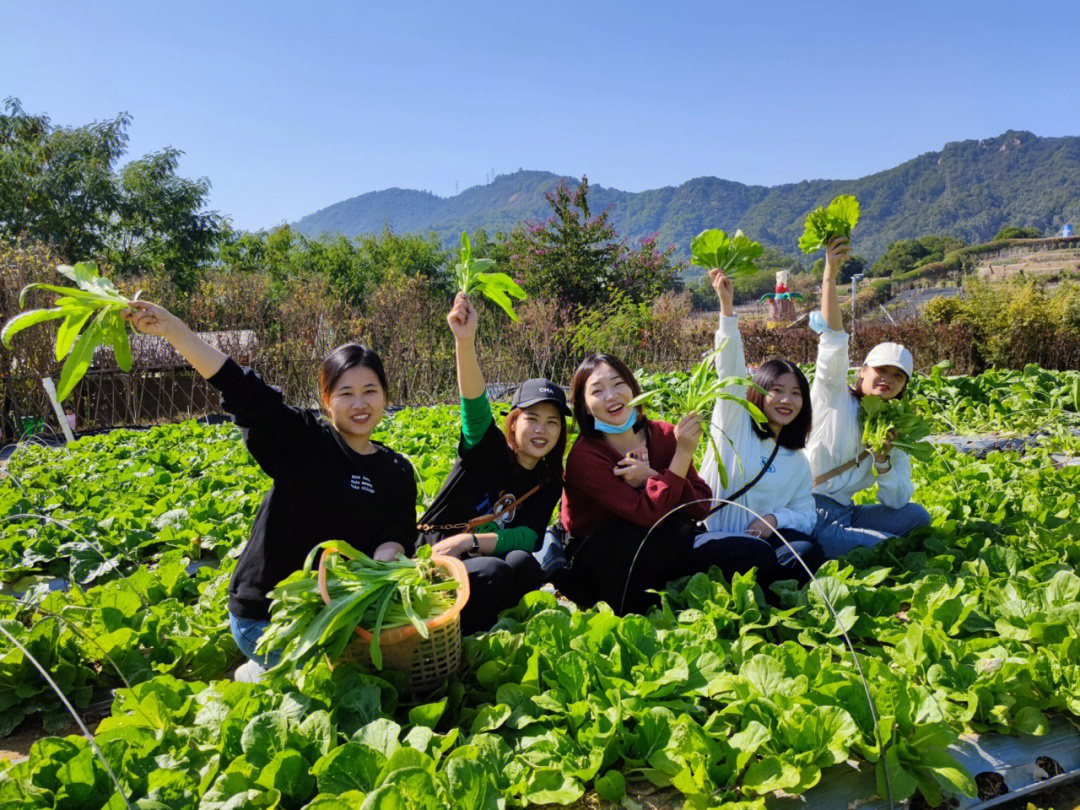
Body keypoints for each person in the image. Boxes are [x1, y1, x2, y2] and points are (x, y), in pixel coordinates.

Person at [122, 301, 417, 681]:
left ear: (385, 397)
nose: (359, 404)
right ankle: (257, 671)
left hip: (337, 613)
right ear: (327, 401)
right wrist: (175, 331)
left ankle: (272, 669)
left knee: (384, 671)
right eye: (345, 393)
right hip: (266, 617)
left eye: (370, 391)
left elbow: (397, 533)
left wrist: (385, 559)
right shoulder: (305, 441)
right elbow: (241, 388)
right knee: (331, 683)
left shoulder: (396, 471)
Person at [385, 293, 565, 634]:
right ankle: (448, 636)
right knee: (497, 573)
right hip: (435, 550)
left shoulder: (548, 480)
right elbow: (473, 402)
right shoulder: (488, 449)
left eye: (552, 422)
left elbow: (529, 536)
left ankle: (484, 632)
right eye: (532, 418)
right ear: (513, 422)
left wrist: (470, 542)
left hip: (470, 550)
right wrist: (464, 341)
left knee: (523, 564)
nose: (542, 430)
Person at [558, 353, 778, 615]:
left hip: (666, 543)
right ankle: (644, 607)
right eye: (597, 391)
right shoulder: (586, 456)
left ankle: (672, 594)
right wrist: (683, 455)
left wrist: (651, 475)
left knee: (756, 553)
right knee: (634, 535)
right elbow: (647, 514)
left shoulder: (663, 433)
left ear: (633, 388)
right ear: (583, 405)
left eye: (618, 384)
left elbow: (701, 505)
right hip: (603, 560)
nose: (611, 396)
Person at [807, 237, 931, 558]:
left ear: (904, 385)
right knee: (884, 550)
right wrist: (830, 277)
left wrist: (883, 460)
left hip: (847, 510)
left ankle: (844, 538)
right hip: (809, 509)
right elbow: (833, 339)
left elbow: (896, 501)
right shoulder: (833, 397)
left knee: (917, 516)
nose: (887, 379)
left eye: (897, 375)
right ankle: (834, 542)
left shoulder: (892, 427)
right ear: (862, 371)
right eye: (881, 370)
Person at [699, 268, 824, 585]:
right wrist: (727, 310)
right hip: (714, 540)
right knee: (757, 555)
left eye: (796, 393)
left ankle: (759, 594)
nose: (786, 400)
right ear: (758, 393)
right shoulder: (736, 423)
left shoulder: (796, 460)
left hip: (759, 546)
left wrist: (774, 519)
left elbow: (807, 514)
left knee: (807, 551)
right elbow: (730, 373)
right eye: (777, 390)